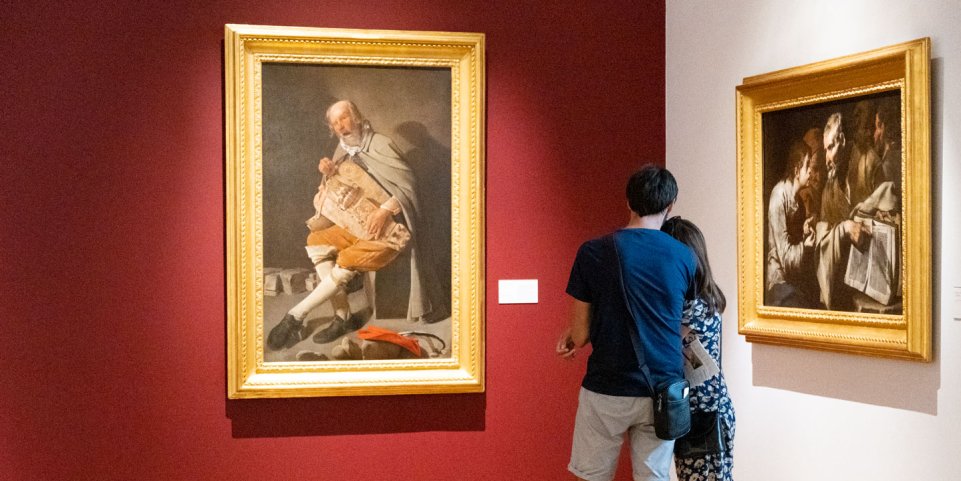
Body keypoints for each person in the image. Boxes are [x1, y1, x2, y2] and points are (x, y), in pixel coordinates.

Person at [267, 100, 448, 351]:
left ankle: (295, 315)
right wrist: (329, 175)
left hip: (389, 232)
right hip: (354, 225)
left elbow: (408, 187)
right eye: (335, 122)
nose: (341, 126)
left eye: (345, 118)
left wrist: (384, 211)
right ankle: (343, 317)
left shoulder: (381, 144)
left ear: (357, 118)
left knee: (347, 260)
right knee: (315, 241)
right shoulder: (340, 152)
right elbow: (337, 194)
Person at [556, 165, 697, 481]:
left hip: (607, 386)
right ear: (670, 205)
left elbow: (580, 334)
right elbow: (681, 322)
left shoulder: (593, 252)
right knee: (653, 477)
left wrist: (571, 339)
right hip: (663, 389)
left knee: (591, 475)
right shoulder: (683, 256)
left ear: (628, 202)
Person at [661, 217, 736, 481]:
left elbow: (664, 340)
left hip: (701, 416)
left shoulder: (692, 306)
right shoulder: (709, 297)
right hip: (710, 410)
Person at [765, 141, 818, 308]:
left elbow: (794, 241)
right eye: (807, 165)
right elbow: (786, 259)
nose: (811, 170)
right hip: (779, 283)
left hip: (793, 282)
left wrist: (803, 232)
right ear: (796, 170)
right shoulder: (779, 197)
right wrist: (805, 246)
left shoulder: (798, 202)